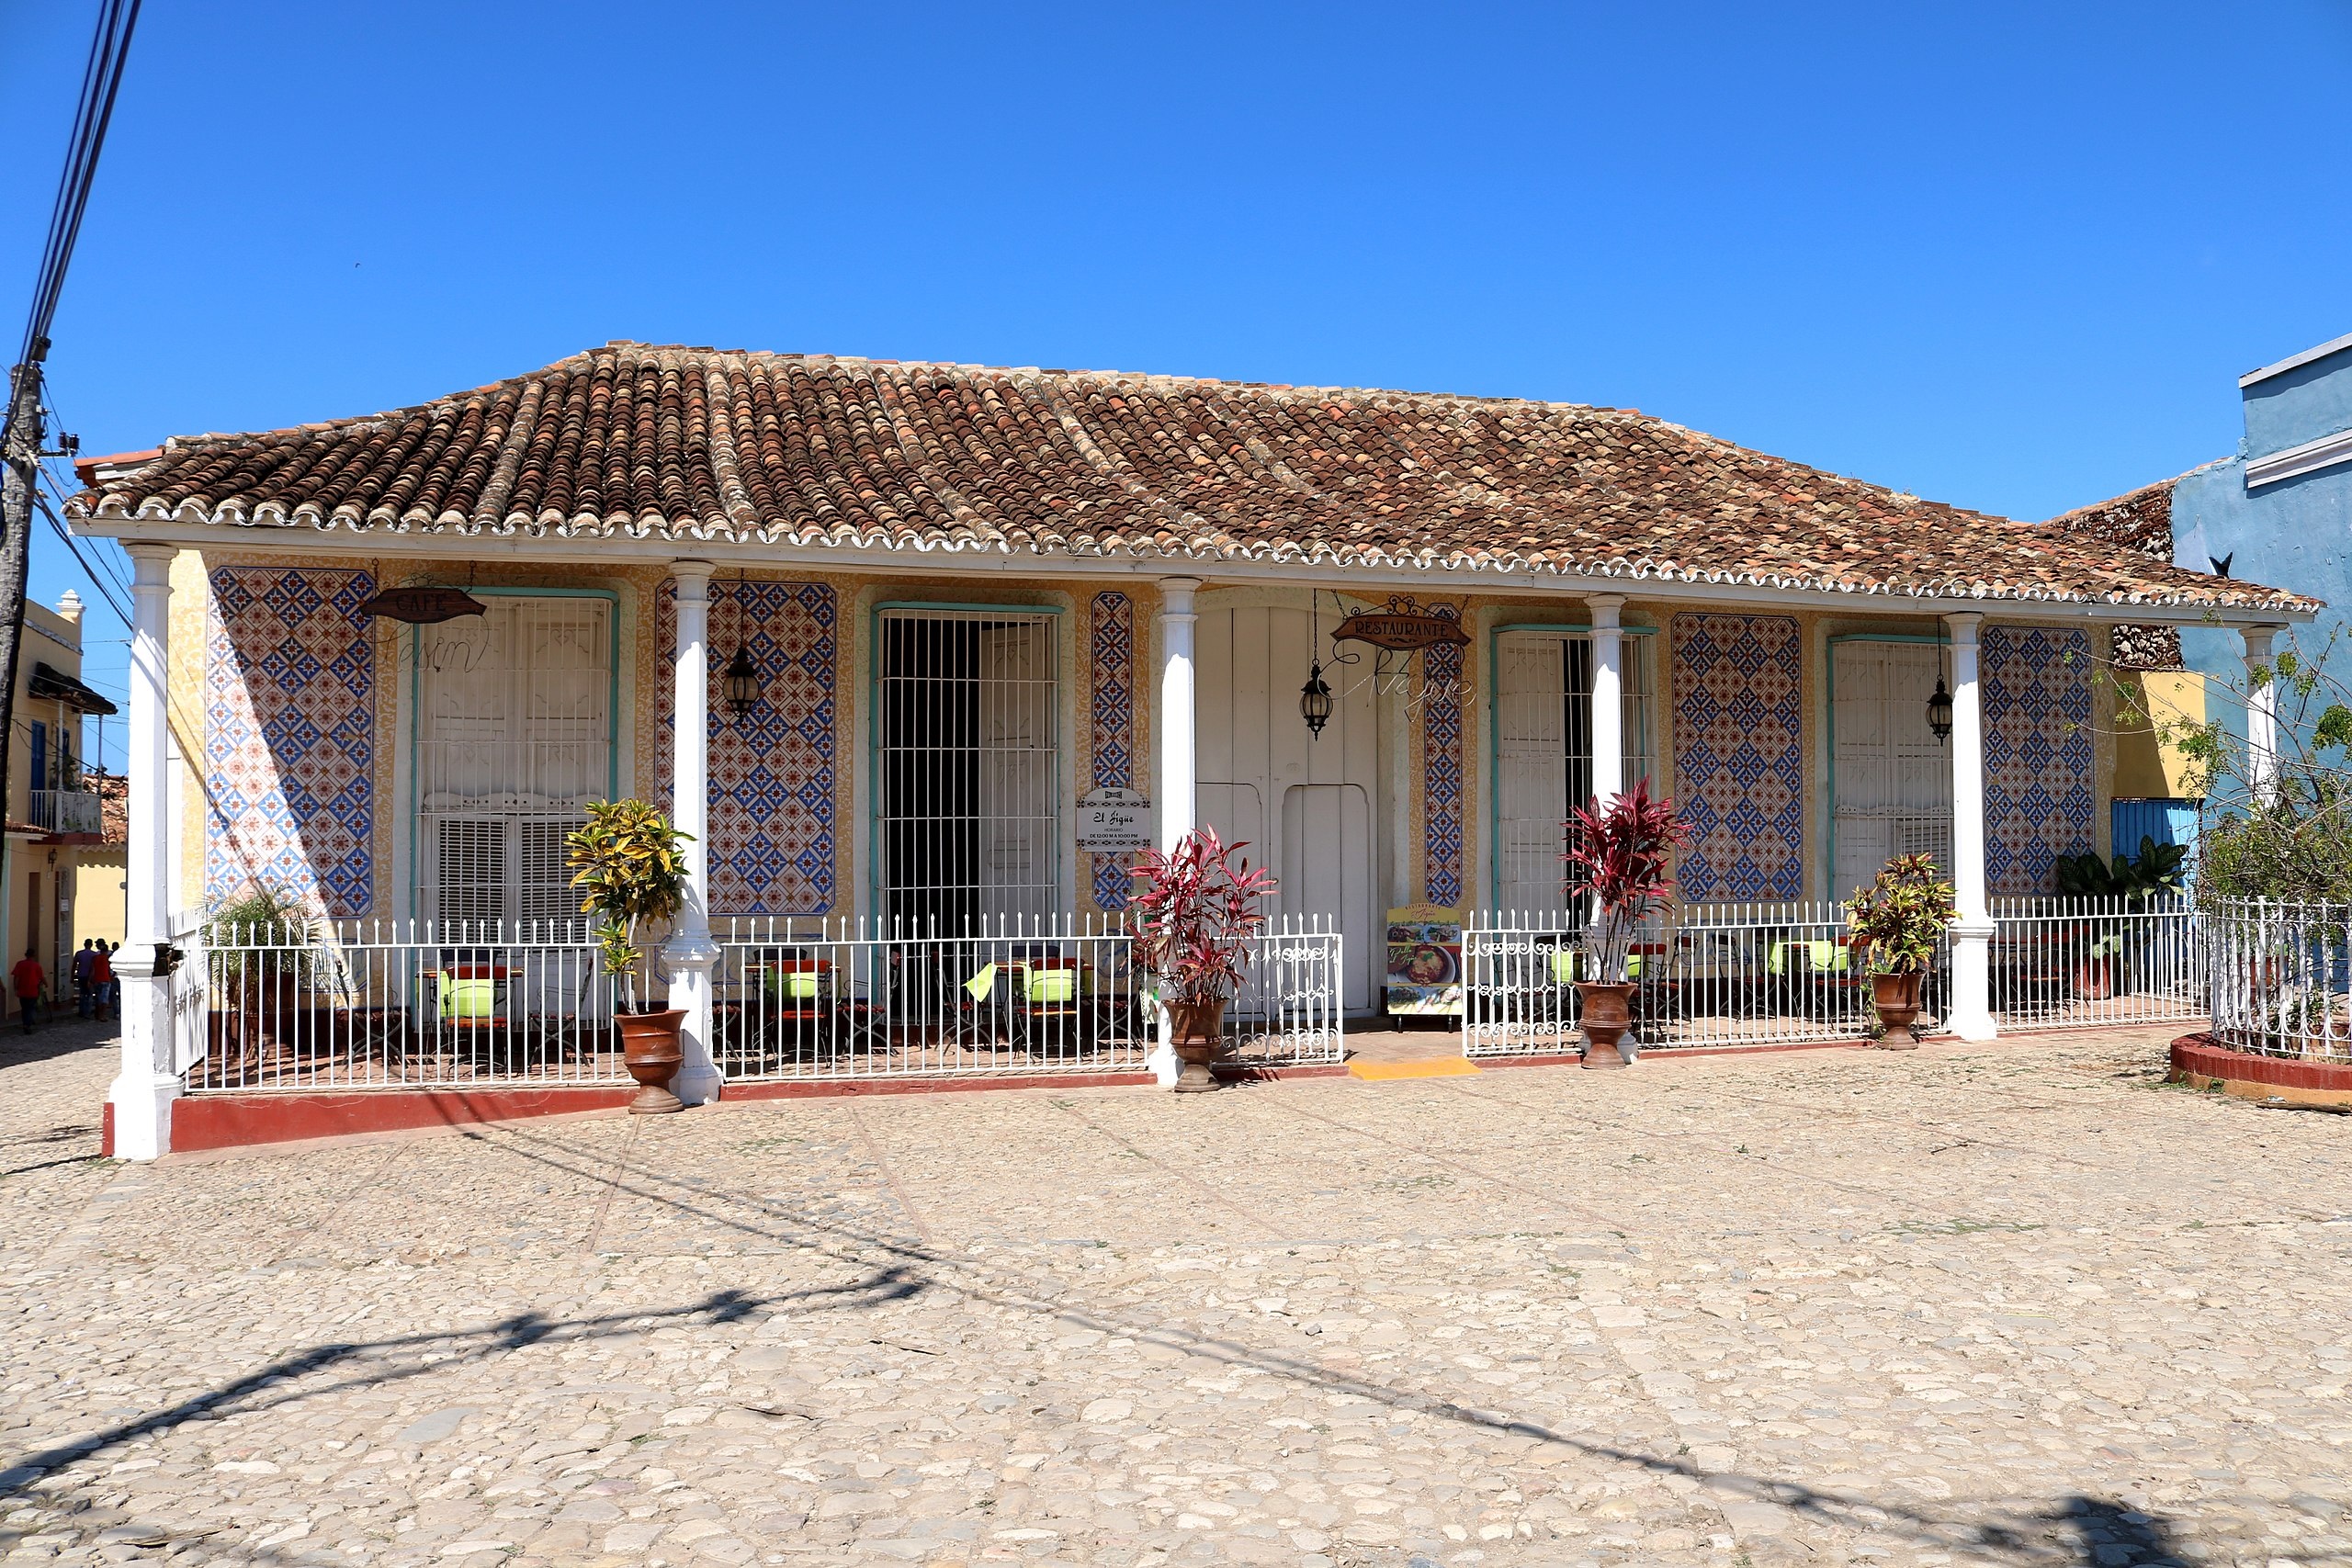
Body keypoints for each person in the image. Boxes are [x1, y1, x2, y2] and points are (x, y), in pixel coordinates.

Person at [12, 947, 42, 1035]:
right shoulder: (36, 965)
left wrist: (15, 988)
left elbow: (16, 977)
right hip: (33, 990)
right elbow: (41, 977)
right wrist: (46, 983)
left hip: (22, 990)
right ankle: (28, 1024)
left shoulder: (20, 964)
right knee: (31, 1008)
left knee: (24, 1008)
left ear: (26, 955)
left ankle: (25, 1023)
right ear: (34, 956)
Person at [91, 942, 115, 1023]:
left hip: (97, 979)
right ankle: (102, 1015)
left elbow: (92, 970)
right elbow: (109, 970)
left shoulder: (95, 958)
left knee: (98, 997)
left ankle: (97, 1014)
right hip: (105, 979)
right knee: (104, 999)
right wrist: (112, 976)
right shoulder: (107, 959)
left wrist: (90, 979)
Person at [71, 939, 96, 1018]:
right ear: (91, 945)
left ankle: (81, 1011)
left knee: (82, 994)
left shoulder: (79, 954)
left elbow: (74, 966)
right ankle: (87, 1012)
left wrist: (72, 976)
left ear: (84, 944)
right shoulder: (94, 955)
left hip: (81, 975)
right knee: (89, 994)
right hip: (90, 976)